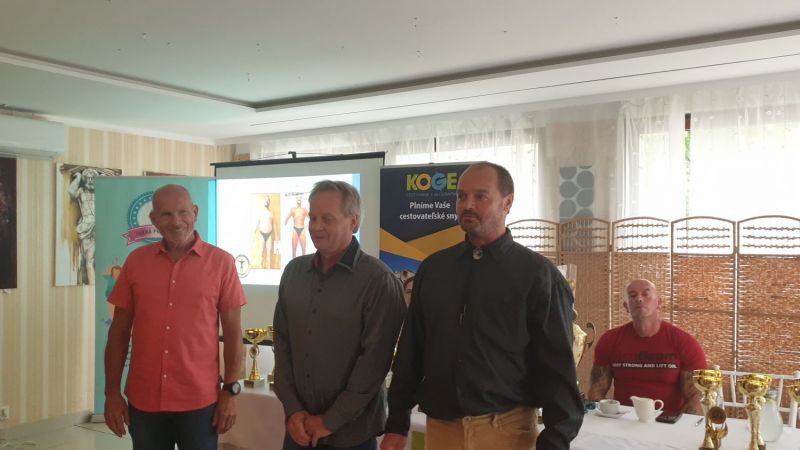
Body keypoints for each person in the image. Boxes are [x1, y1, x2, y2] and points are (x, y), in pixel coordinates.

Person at [383, 162, 583, 450]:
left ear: (507, 203)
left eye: (480, 196)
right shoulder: (434, 269)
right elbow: (411, 349)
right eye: (461, 196)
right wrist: (397, 422)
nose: (468, 205)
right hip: (441, 430)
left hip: (506, 432)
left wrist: (556, 439)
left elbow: (558, 368)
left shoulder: (537, 275)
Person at [104, 184, 247, 450]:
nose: (176, 221)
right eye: (166, 214)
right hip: (144, 400)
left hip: (200, 403)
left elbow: (232, 332)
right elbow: (119, 332)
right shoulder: (136, 262)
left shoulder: (222, 263)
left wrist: (230, 391)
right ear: (154, 219)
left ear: (195, 212)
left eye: (183, 212)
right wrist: (111, 391)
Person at [273, 180, 406, 450]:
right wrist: (293, 410)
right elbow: (282, 344)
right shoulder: (293, 272)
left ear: (353, 222)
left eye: (327, 219)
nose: (315, 226)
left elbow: (374, 364)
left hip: (351, 435)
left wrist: (329, 421)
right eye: (313, 218)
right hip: (298, 430)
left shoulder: (378, 280)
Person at [587, 279, 706, 414]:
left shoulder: (684, 342)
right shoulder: (609, 340)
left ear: (658, 302)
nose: (639, 299)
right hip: (623, 419)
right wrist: (606, 418)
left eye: (645, 294)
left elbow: (697, 399)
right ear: (626, 306)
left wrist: (677, 424)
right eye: (632, 295)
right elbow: (596, 392)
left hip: (668, 421)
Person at [68, 167, 99, 285]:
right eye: (88, 178)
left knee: (93, 258)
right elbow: (71, 192)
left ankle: (92, 283)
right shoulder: (81, 191)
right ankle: (90, 284)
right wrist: (78, 177)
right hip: (86, 227)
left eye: (93, 178)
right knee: (87, 258)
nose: (90, 181)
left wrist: (105, 179)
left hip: (99, 227)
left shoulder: (100, 191)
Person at [255, 196, 280, 269]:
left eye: (268, 200)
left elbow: (274, 225)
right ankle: (261, 268)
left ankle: (269, 268)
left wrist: (277, 237)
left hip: (269, 235)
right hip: (262, 234)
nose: (266, 201)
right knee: (261, 252)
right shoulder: (260, 213)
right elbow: (257, 223)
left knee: (269, 252)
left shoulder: (271, 214)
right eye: (265, 200)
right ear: (263, 201)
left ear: (269, 202)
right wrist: (253, 232)